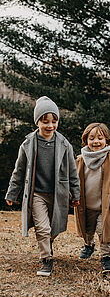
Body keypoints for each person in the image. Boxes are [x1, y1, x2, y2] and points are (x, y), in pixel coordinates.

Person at [5, 96, 80, 277]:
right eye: (45, 121)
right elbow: (19, 171)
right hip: (36, 193)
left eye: (54, 121)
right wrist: (12, 193)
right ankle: (46, 259)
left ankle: (48, 243)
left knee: (53, 228)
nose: (50, 126)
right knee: (42, 228)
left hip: (57, 194)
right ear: (37, 122)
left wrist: (75, 194)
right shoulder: (28, 144)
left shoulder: (64, 144)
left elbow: (72, 172)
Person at [74, 122, 110, 278]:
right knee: (87, 229)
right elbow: (73, 180)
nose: (96, 141)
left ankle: (106, 258)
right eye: (91, 138)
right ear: (86, 141)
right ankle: (88, 245)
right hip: (85, 204)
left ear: (107, 141)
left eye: (100, 138)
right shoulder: (80, 159)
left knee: (103, 231)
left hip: (104, 206)